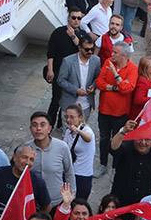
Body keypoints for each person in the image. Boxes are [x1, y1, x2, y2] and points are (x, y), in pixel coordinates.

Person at [94, 42, 134, 178]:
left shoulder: (132, 68)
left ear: (123, 55)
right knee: (104, 139)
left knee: (118, 140)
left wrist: (115, 75)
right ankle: (103, 165)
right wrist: (114, 87)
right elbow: (99, 82)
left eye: (115, 52)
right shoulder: (108, 62)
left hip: (120, 113)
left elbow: (127, 89)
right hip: (104, 110)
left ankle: (115, 168)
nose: (112, 54)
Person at [24, 113, 75, 208]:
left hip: (57, 201)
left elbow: (69, 173)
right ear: (30, 129)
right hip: (32, 203)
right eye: (35, 125)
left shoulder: (62, 147)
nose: (38, 129)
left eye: (43, 125)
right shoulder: (25, 149)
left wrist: (71, 198)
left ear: (49, 128)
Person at [56, 37, 100, 119]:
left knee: (83, 130)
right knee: (68, 130)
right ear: (80, 48)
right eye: (87, 49)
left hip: (86, 105)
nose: (90, 52)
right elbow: (61, 80)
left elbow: (98, 77)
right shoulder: (68, 61)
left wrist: (93, 86)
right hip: (69, 103)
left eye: (92, 49)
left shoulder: (96, 61)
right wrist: (75, 90)